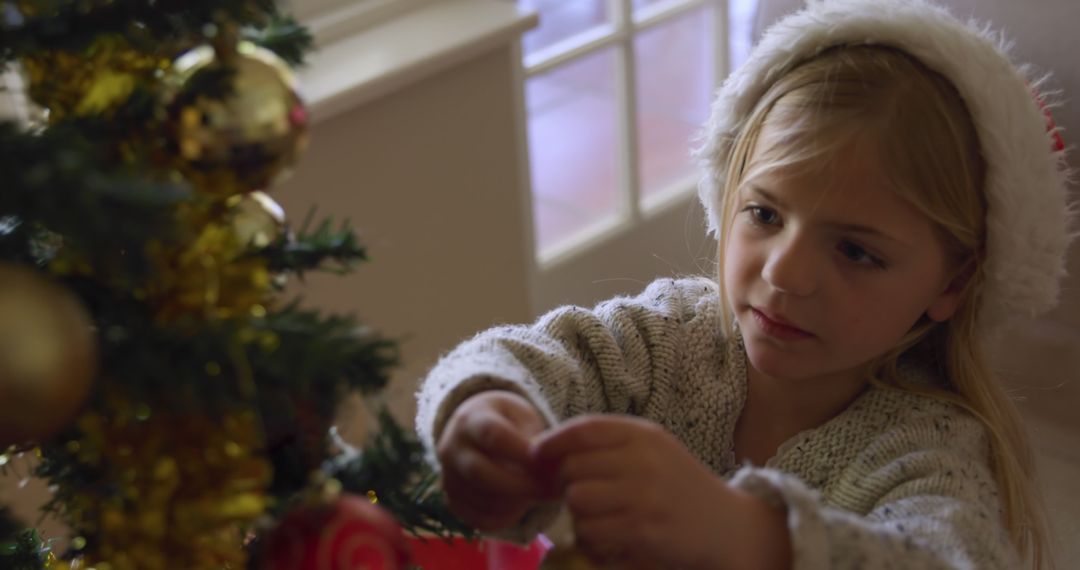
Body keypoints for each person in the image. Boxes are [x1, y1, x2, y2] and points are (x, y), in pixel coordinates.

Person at [415, 0, 1074, 568]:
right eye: (764, 214)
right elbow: (531, 357)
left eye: (854, 251)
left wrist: (752, 538)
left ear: (953, 283)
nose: (784, 272)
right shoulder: (670, 335)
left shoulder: (928, 450)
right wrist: (486, 409)